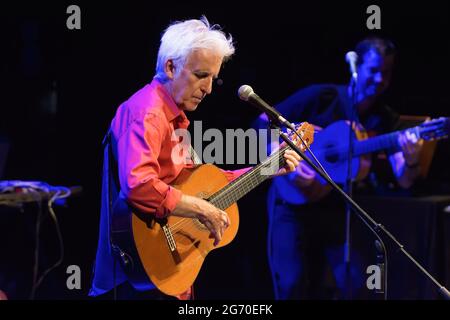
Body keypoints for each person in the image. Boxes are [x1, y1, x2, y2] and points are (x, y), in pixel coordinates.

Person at [89, 16, 301, 300]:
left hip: (164, 277)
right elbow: (138, 184)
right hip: (133, 278)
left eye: (213, 78)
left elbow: (206, 186)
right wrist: (202, 210)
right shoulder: (147, 113)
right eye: (201, 75)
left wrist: (267, 168)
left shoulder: (173, 117)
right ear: (170, 67)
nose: (209, 88)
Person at [253, 37, 424, 299]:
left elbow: (404, 180)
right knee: (291, 284)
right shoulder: (324, 96)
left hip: (336, 210)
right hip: (289, 205)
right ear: (357, 66)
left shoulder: (385, 118)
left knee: (354, 283)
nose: (379, 79)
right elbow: (262, 122)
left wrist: (412, 158)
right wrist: (281, 157)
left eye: (386, 73)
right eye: (374, 70)